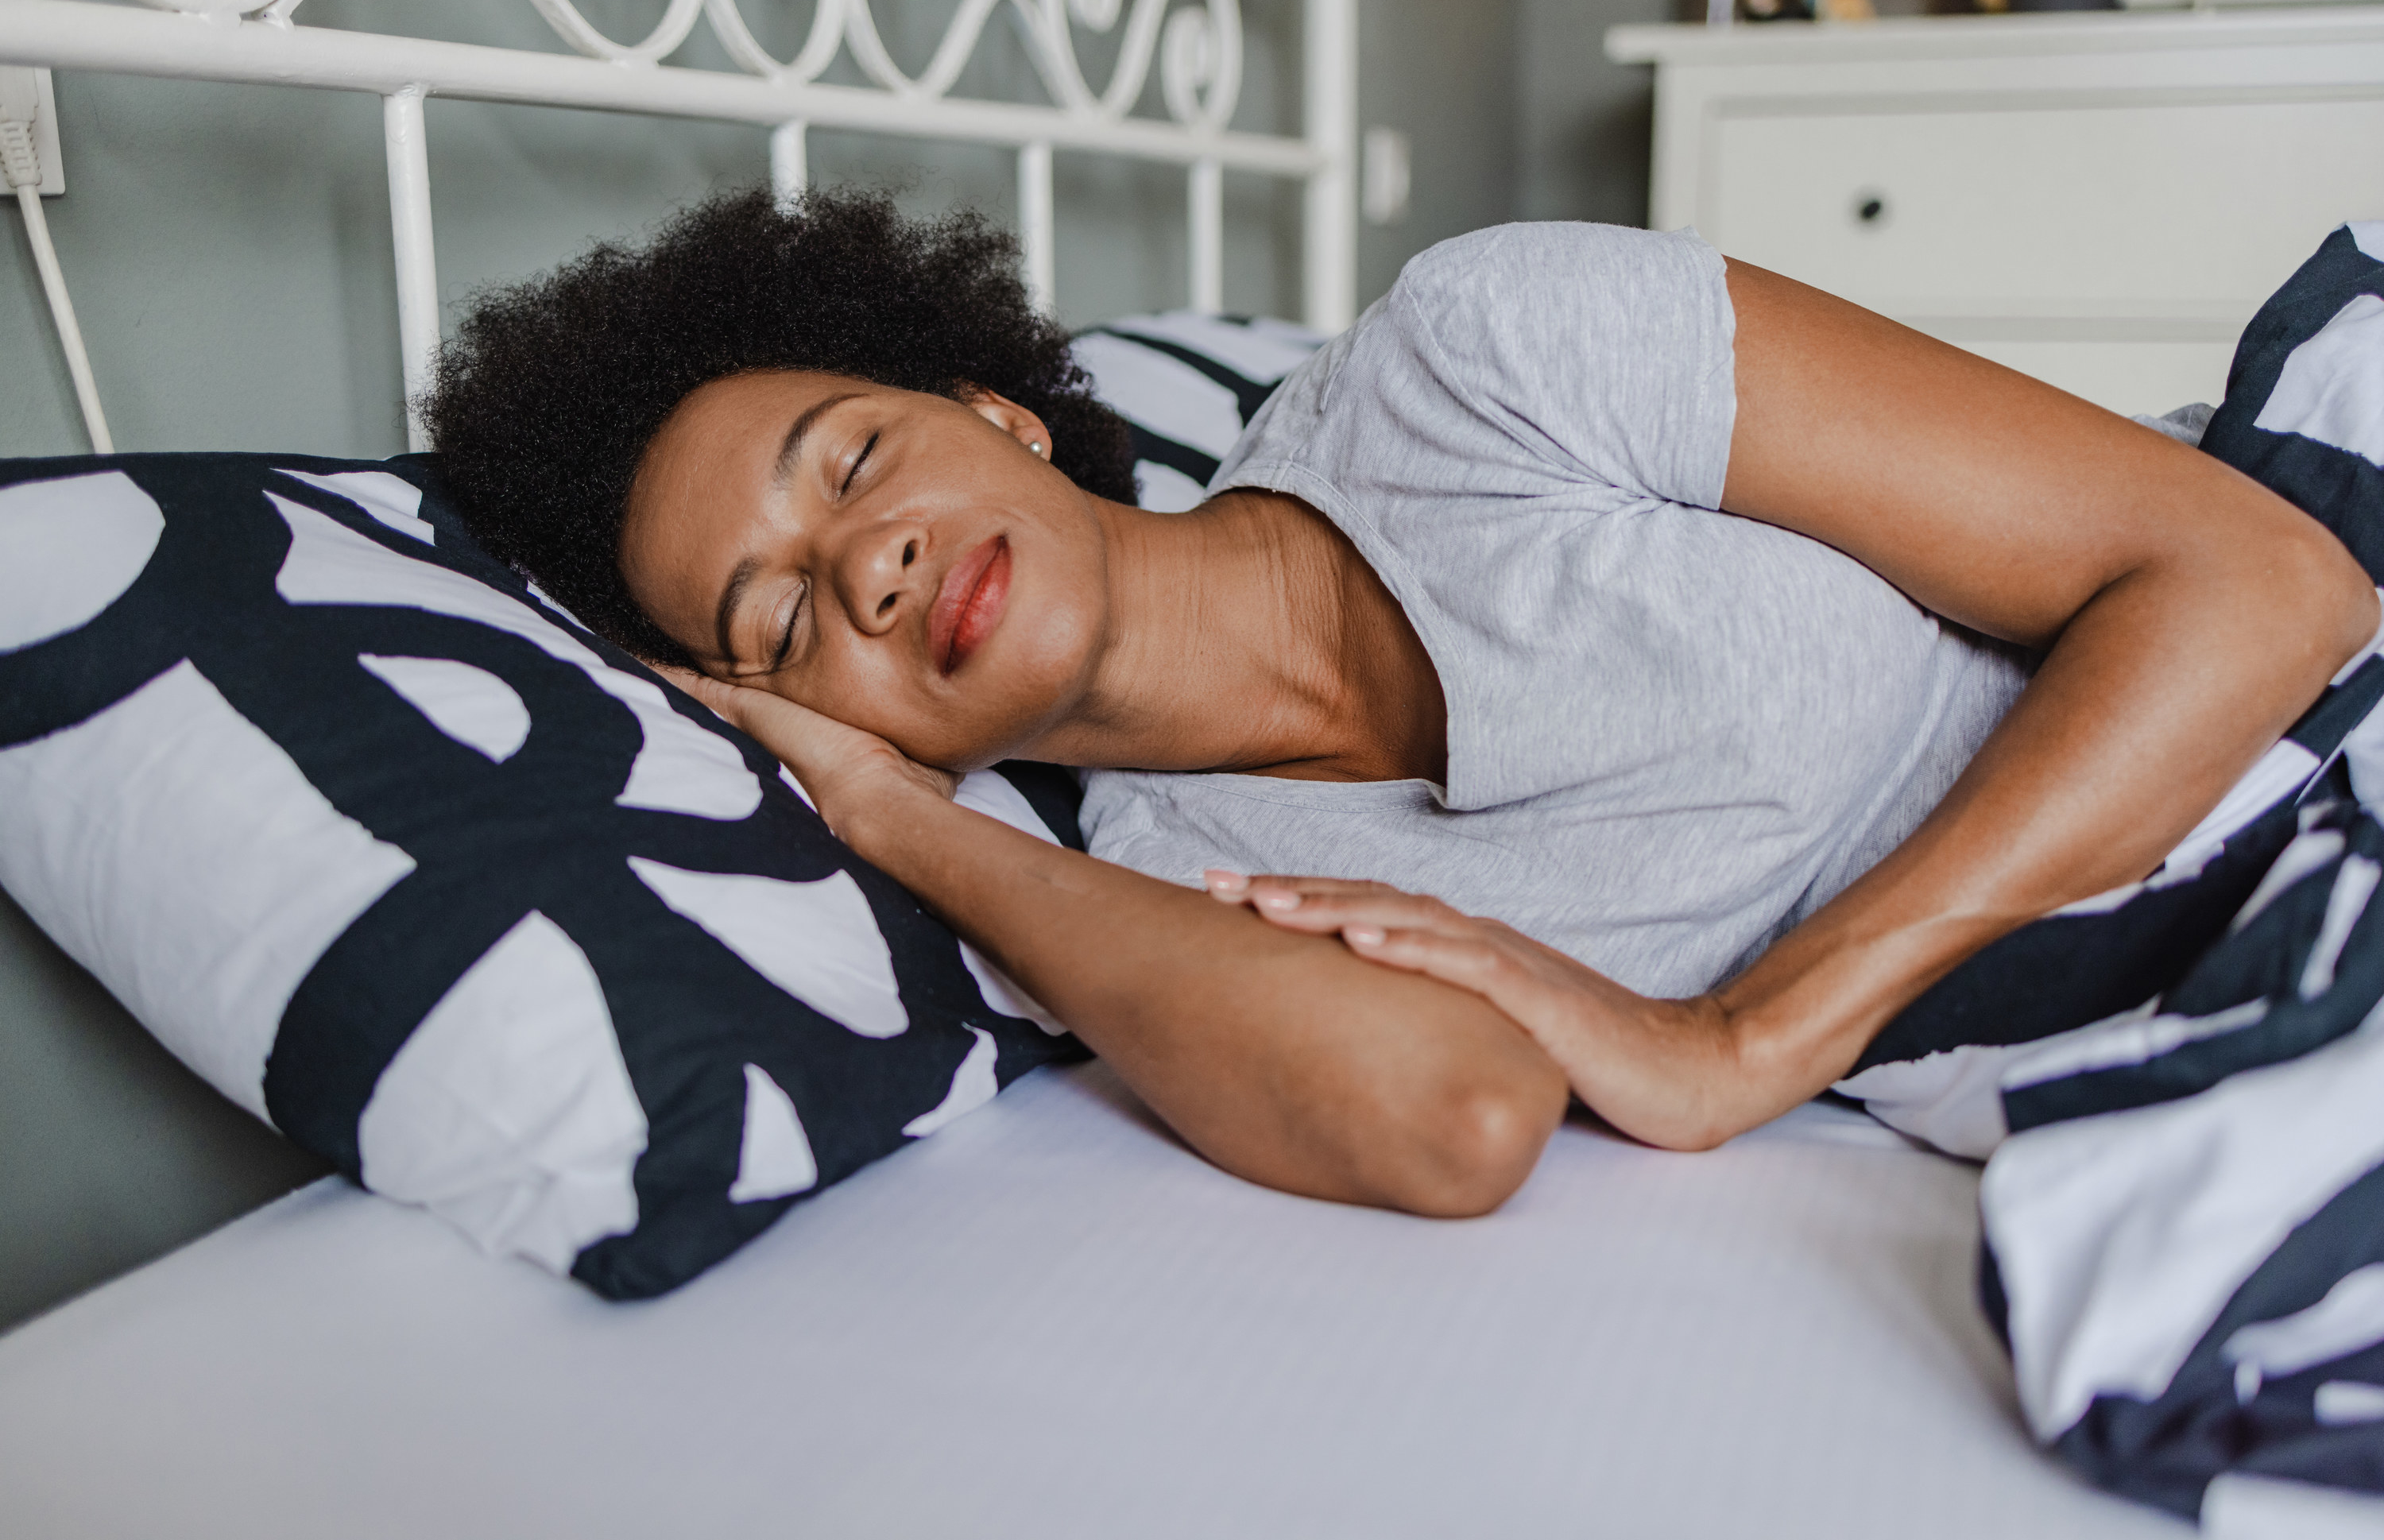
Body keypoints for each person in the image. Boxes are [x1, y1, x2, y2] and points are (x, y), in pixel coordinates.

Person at [425, 188, 2378, 1217]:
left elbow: (2257, 578)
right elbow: (1455, 1117)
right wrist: (897, 820)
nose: (867, 569)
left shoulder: (1485, 356)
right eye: (779, 632)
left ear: (993, 409)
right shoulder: (1159, 894)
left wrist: (1755, 1032)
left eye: (853, 464)